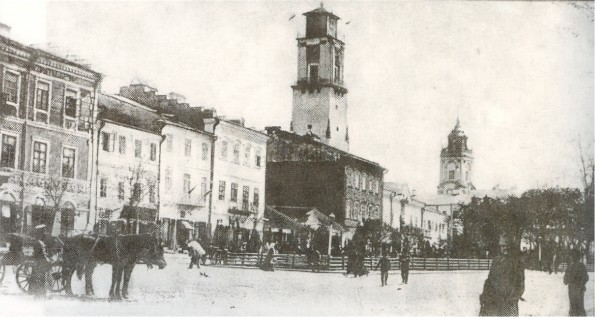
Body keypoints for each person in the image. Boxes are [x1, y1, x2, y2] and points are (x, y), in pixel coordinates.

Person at [479, 234, 525, 316]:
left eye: (506, 245)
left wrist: (513, 298)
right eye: (502, 246)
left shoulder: (517, 262)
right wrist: (484, 296)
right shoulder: (496, 261)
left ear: (511, 246)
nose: (504, 248)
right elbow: (489, 280)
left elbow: (520, 283)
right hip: (494, 301)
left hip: (508, 302)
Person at [564, 249, 589, 316]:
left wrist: (567, 281)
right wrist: (582, 283)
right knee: (580, 301)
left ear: (572, 257)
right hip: (580, 288)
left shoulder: (569, 267)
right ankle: (580, 313)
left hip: (572, 288)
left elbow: (565, 280)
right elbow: (586, 277)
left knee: (572, 301)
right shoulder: (582, 266)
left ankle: (573, 313)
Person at [29, 224, 52, 298]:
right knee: (41, 278)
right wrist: (48, 260)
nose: (44, 233)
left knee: (39, 278)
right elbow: (42, 254)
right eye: (42, 231)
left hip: (38, 262)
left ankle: (38, 294)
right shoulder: (39, 243)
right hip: (40, 262)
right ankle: (39, 294)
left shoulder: (38, 242)